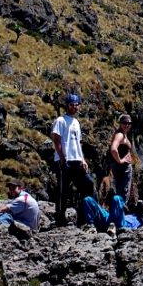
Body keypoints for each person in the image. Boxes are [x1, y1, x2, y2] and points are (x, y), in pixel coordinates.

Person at [51, 93, 96, 226]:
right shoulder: (60, 120)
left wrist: (83, 160)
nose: (75, 107)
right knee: (63, 190)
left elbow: (78, 143)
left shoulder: (76, 122)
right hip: (64, 160)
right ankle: (60, 217)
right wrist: (62, 158)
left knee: (88, 185)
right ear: (67, 106)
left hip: (77, 160)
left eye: (77, 105)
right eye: (72, 105)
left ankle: (83, 216)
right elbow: (56, 139)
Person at [108, 114, 135, 202]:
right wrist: (120, 161)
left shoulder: (123, 134)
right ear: (120, 124)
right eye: (124, 123)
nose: (127, 125)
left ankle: (120, 209)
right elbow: (113, 149)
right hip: (122, 167)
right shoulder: (120, 135)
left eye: (129, 123)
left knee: (121, 189)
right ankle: (122, 210)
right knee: (123, 190)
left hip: (121, 167)